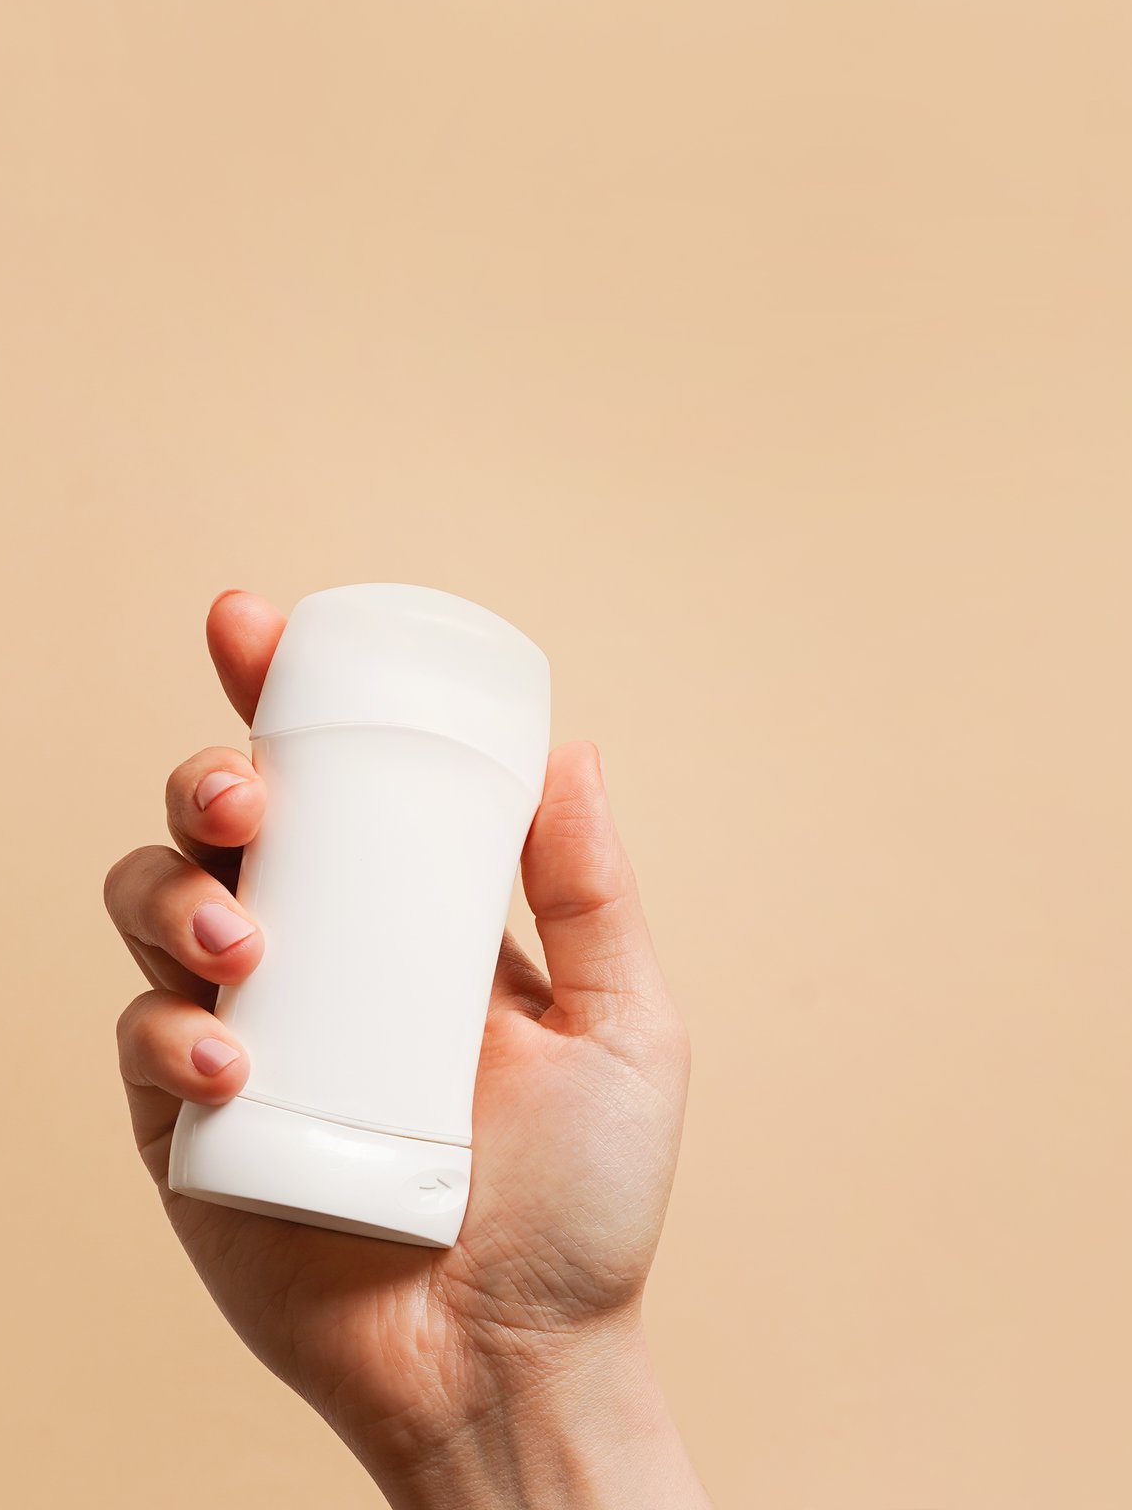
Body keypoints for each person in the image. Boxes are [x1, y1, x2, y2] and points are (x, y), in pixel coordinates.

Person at [102, 590, 710, 1508]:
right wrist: (510, 1394)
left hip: (381, 1182)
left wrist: (536, 1361)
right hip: (365, 1177)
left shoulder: (374, 666)